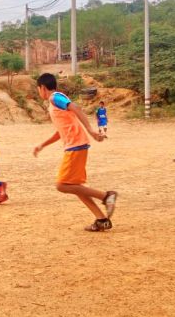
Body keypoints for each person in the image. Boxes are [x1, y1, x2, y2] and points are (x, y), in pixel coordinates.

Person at [33, 73, 118, 232]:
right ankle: (101, 220)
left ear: (42, 88)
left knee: (62, 185)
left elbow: (76, 107)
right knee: (75, 186)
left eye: (38, 89)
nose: (39, 92)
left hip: (76, 145)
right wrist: (42, 145)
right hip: (75, 145)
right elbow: (59, 132)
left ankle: (106, 196)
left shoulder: (54, 98)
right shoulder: (55, 103)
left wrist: (92, 131)